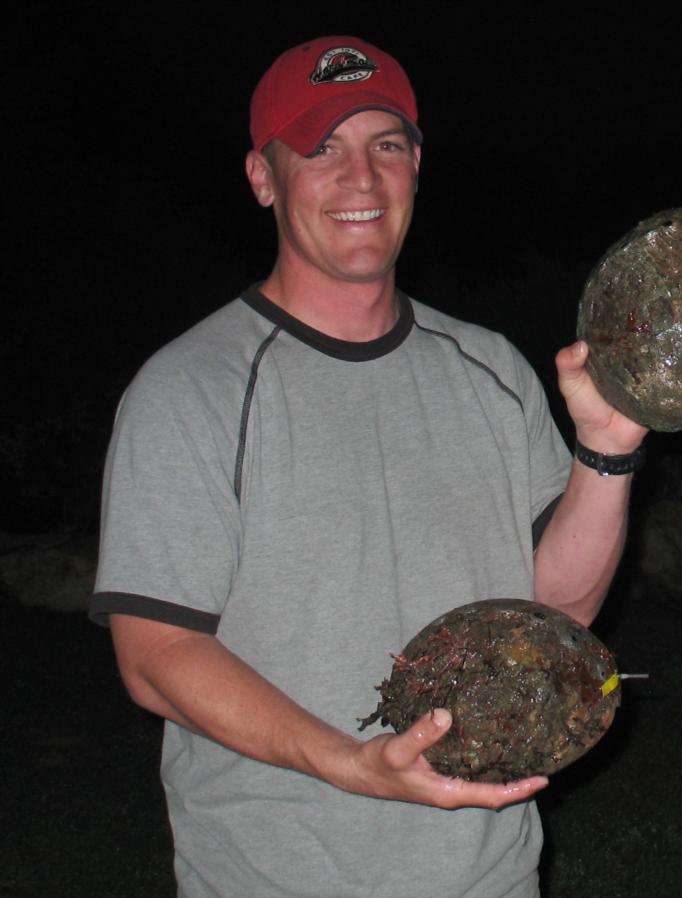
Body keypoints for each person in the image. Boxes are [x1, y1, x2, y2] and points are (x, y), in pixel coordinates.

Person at [90, 35, 647, 898]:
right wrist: (354, 762)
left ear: (417, 167)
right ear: (262, 177)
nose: (361, 177)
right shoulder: (192, 390)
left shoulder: (493, 371)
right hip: (276, 878)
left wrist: (606, 454)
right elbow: (156, 654)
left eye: (386, 145)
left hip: (488, 875)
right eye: (321, 149)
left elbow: (552, 614)